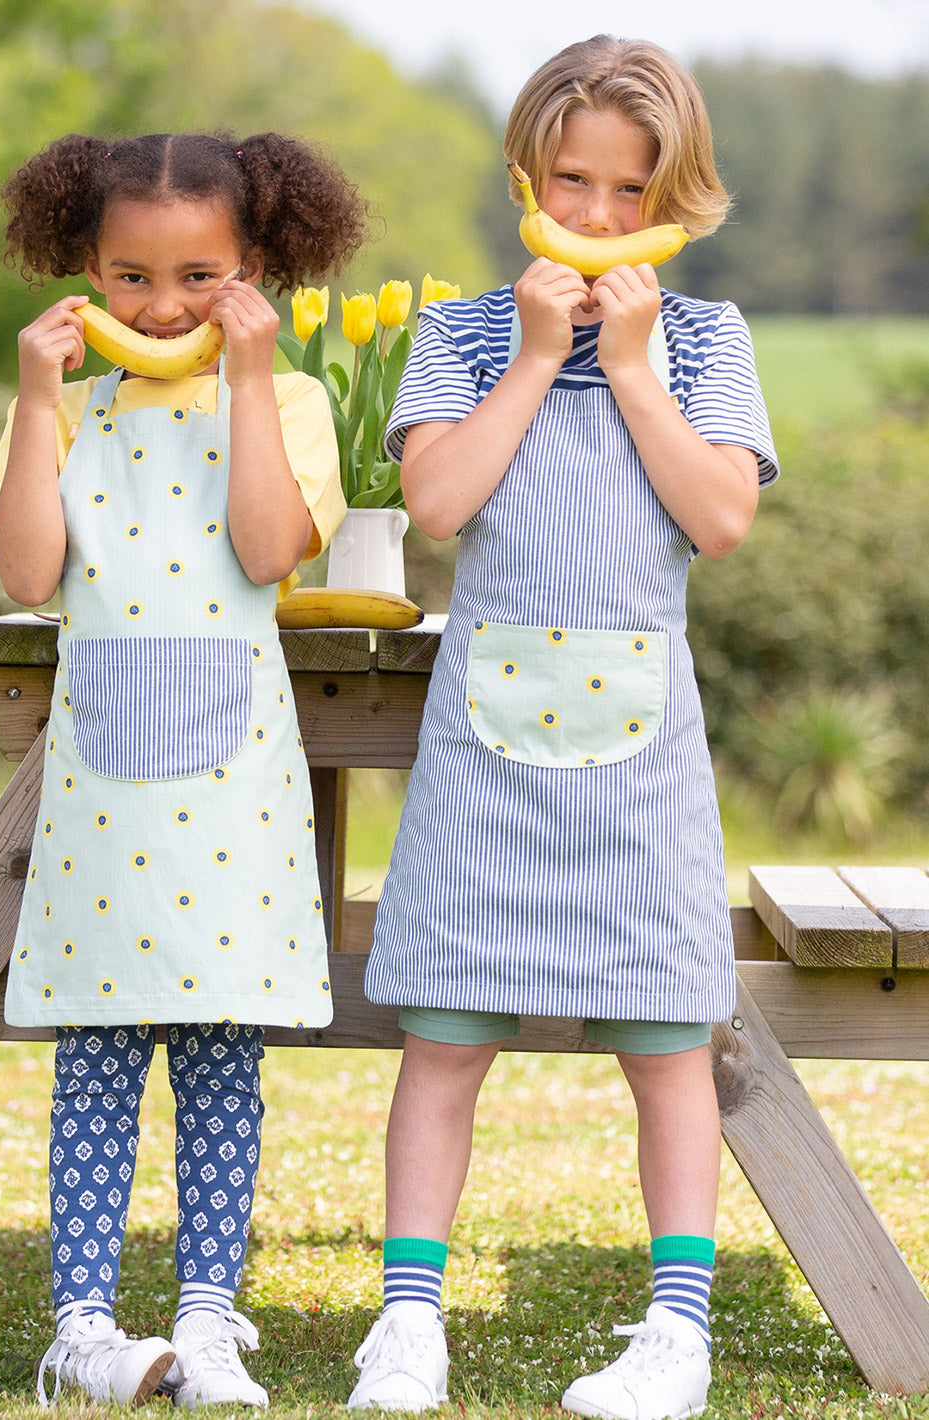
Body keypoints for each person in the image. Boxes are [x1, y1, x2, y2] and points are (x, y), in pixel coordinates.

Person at [346, 34, 777, 1420]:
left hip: (642, 754)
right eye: (569, 179)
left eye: (625, 187)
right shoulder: (462, 335)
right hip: (487, 747)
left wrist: (635, 369)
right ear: (529, 170)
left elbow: (717, 520)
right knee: (444, 1042)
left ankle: (676, 1333)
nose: (591, 214)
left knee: (666, 1048)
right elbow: (440, 506)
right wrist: (534, 357)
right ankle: (408, 1325)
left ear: (675, 192)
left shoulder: (708, 339)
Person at [0, 129, 365, 1408]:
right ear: (86, 272)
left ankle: (210, 1315)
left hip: (231, 787)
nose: (163, 306)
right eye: (130, 277)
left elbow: (267, 552)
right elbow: (30, 575)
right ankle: (83, 1327)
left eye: (199, 276)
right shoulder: (66, 406)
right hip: (101, 786)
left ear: (254, 266)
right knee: (93, 1054)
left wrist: (254, 382)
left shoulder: (294, 404)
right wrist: (37, 400)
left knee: (221, 1055)